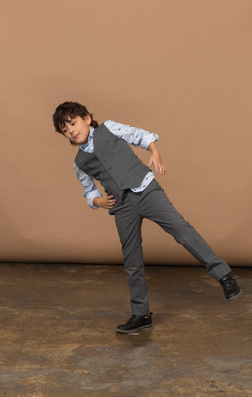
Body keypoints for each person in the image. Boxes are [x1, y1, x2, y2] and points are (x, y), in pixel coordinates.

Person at [52, 101, 241, 334]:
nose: (71, 130)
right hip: (121, 206)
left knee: (182, 231)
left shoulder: (109, 128)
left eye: (73, 123)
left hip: (146, 190)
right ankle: (141, 314)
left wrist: (155, 153)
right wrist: (99, 201)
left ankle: (224, 277)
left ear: (87, 119)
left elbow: (140, 136)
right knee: (131, 259)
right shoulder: (79, 163)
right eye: (65, 130)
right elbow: (89, 190)